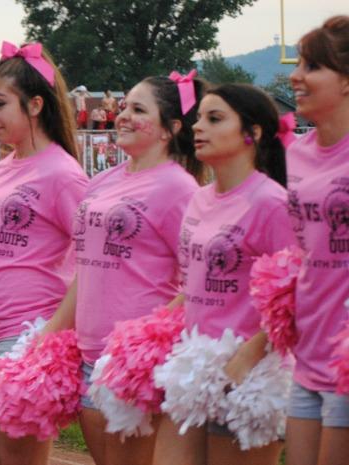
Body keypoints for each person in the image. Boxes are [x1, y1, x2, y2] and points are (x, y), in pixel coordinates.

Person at [44, 73, 206, 465]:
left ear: (171, 128)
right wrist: (50, 333)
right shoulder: (101, 182)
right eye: (124, 107)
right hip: (89, 354)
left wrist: (144, 341)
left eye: (139, 110)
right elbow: (86, 268)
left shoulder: (178, 188)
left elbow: (198, 280)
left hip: (135, 366)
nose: (123, 116)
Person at [152, 84, 295, 465]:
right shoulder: (199, 197)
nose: (199, 127)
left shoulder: (271, 203)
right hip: (194, 371)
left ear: (253, 133)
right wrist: (154, 329)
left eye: (215, 119)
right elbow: (194, 283)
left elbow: (296, 295)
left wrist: (248, 356)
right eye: (199, 118)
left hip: (247, 375)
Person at [0, 41, 89, 465]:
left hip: (26, 334)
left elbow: (92, 265)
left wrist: (52, 332)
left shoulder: (63, 174)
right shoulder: (2, 167)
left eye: (0, 103)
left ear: (36, 104)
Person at [284, 16, 349, 465]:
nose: (295, 76)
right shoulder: (296, 154)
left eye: (312, 66)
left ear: (345, 82)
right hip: (307, 354)